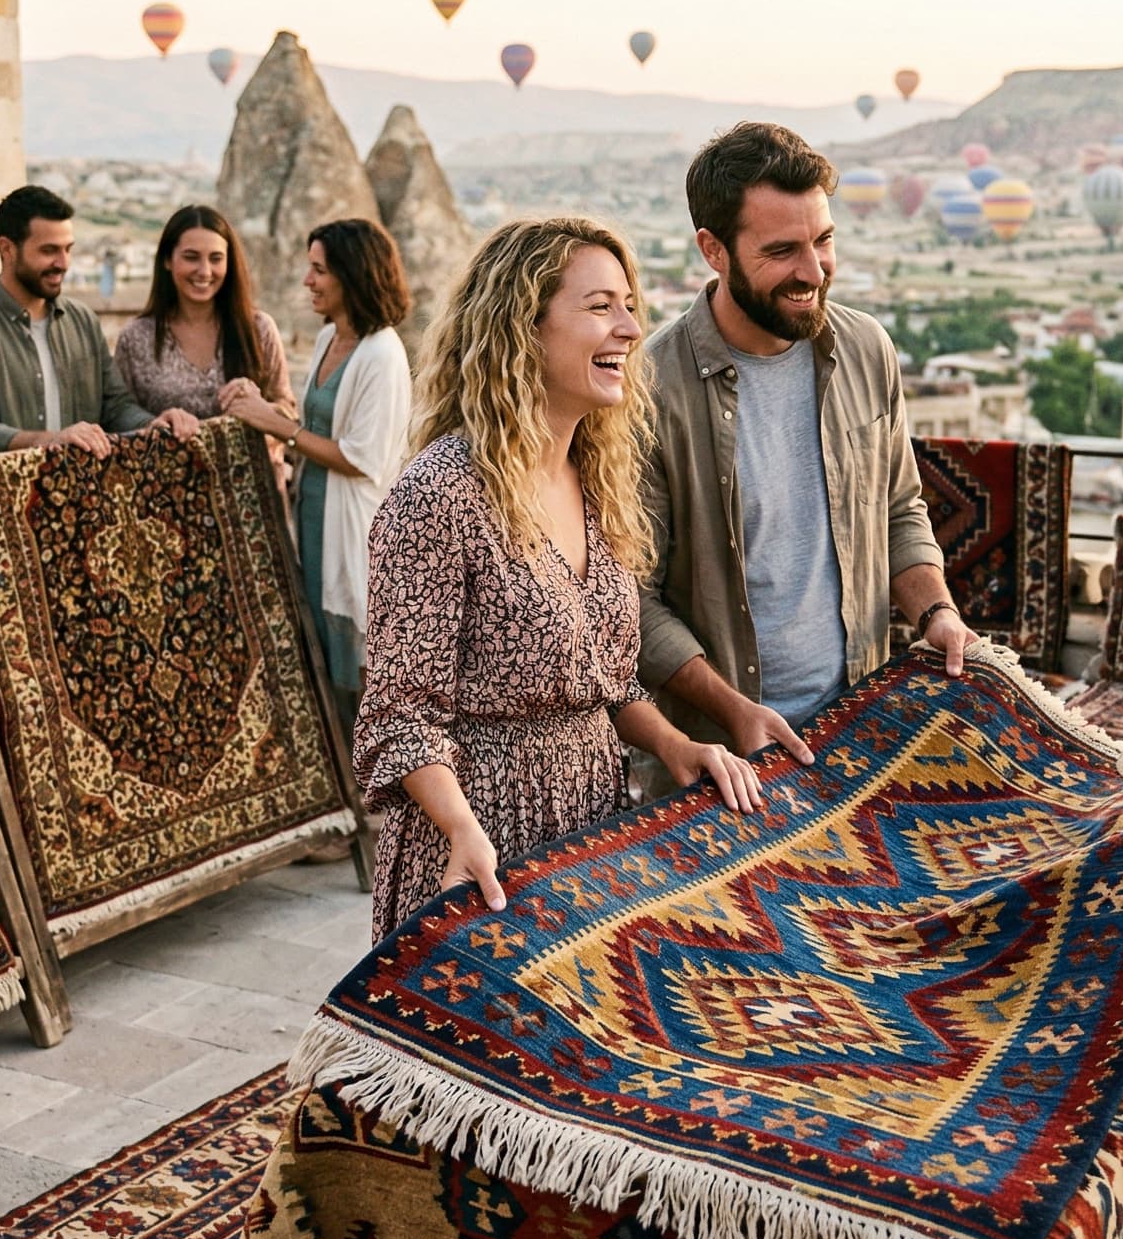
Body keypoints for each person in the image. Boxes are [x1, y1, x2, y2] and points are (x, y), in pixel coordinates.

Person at [352, 216, 760, 939]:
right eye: (601, 306)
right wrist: (462, 830)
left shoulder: (598, 483)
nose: (631, 328)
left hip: (587, 830)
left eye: (630, 305)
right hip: (476, 847)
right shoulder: (439, 496)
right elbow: (399, 717)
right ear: (523, 327)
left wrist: (675, 745)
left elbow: (602, 682)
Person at [637, 121, 978, 774]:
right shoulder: (652, 388)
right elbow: (633, 601)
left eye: (823, 241)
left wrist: (936, 613)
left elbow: (899, 509)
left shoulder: (866, 348)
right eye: (783, 251)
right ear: (713, 249)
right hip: (723, 761)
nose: (813, 270)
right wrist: (737, 712)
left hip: (857, 736)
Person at [220, 218, 414, 727]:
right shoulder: (330, 337)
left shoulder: (382, 353)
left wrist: (272, 424)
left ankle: (381, 783)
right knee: (326, 650)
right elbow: (314, 425)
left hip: (356, 527)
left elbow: (361, 458)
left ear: (353, 275)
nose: (308, 280)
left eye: (319, 269)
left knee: (366, 656)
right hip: (313, 514)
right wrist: (260, 408)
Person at [0, 187, 155, 459]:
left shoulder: (83, 321)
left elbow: (115, 408)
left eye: (68, 249)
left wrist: (152, 425)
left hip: (81, 497)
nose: (63, 263)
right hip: (8, 500)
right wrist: (49, 441)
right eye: (49, 250)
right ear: (7, 249)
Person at [113, 203, 290, 441]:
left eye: (216, 259)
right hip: (164, 477)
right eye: (191, 257)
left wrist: (261, 408)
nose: (205, 271)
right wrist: (156, 423)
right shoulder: (136, 338)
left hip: (251, 477)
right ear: (167, 260)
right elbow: (119, 417)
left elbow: (289, 415)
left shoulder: (259, 329)